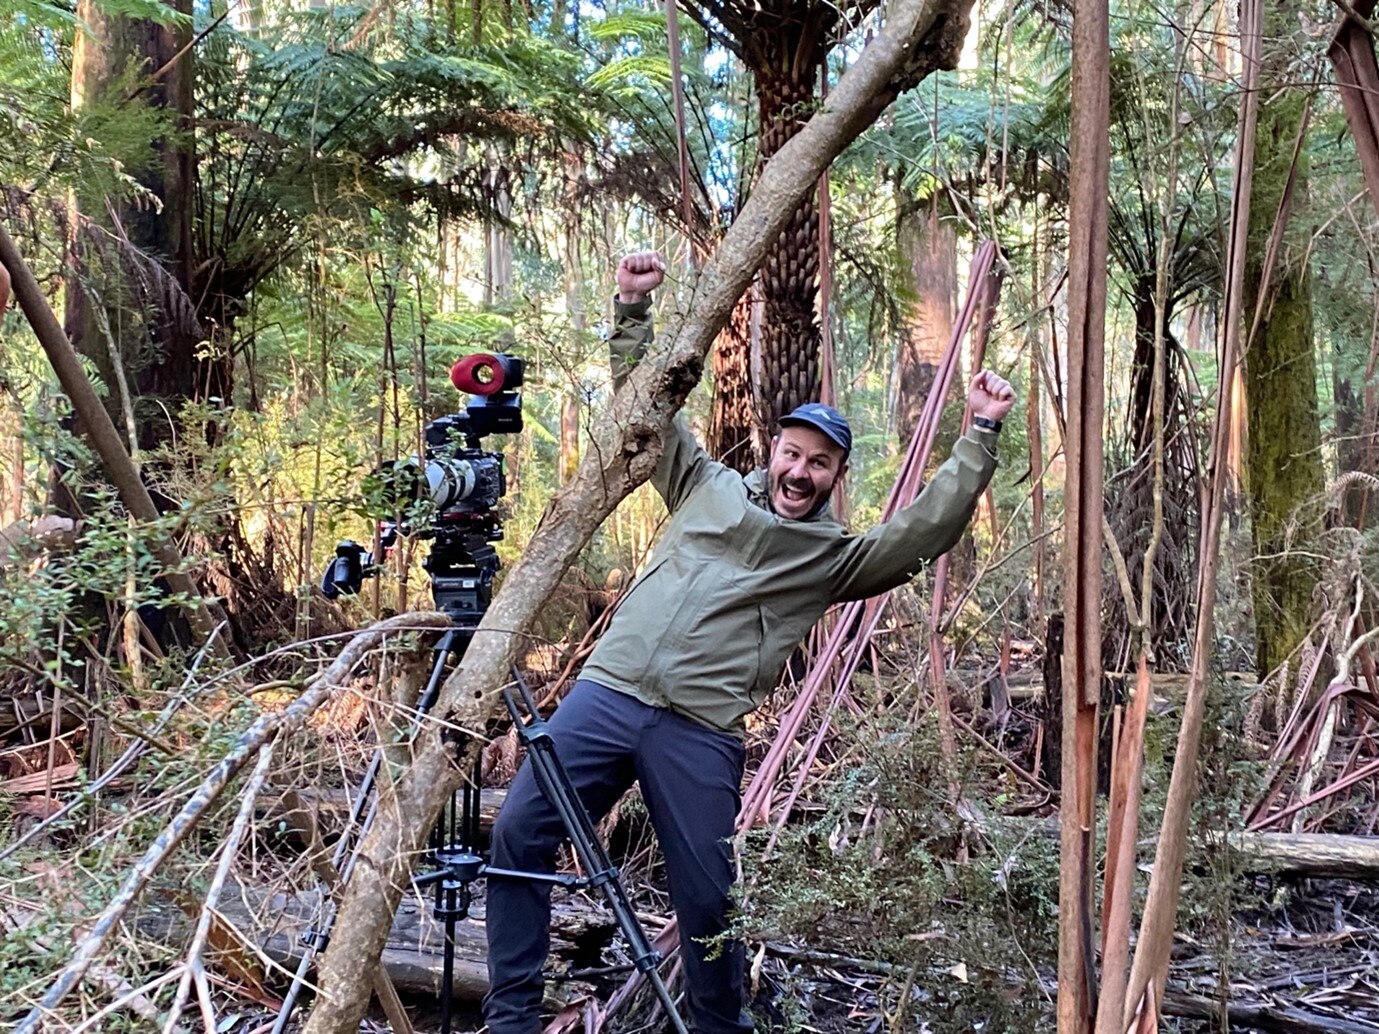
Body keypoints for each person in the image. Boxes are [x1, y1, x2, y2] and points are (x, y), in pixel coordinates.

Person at [483, 252, 1015, 1034]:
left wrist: (980, 431)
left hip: (697, 728)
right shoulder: (705, 484)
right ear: (773, 451)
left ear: (837, 476)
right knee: (517, 833)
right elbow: (647, 405)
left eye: (820, 463)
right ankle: (511, 1020)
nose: (800, 471)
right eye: (792, 453)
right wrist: (632, 308)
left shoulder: (834, 559)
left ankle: (717, 1027)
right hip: (607, 692)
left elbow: (925, 527)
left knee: (707, 898)